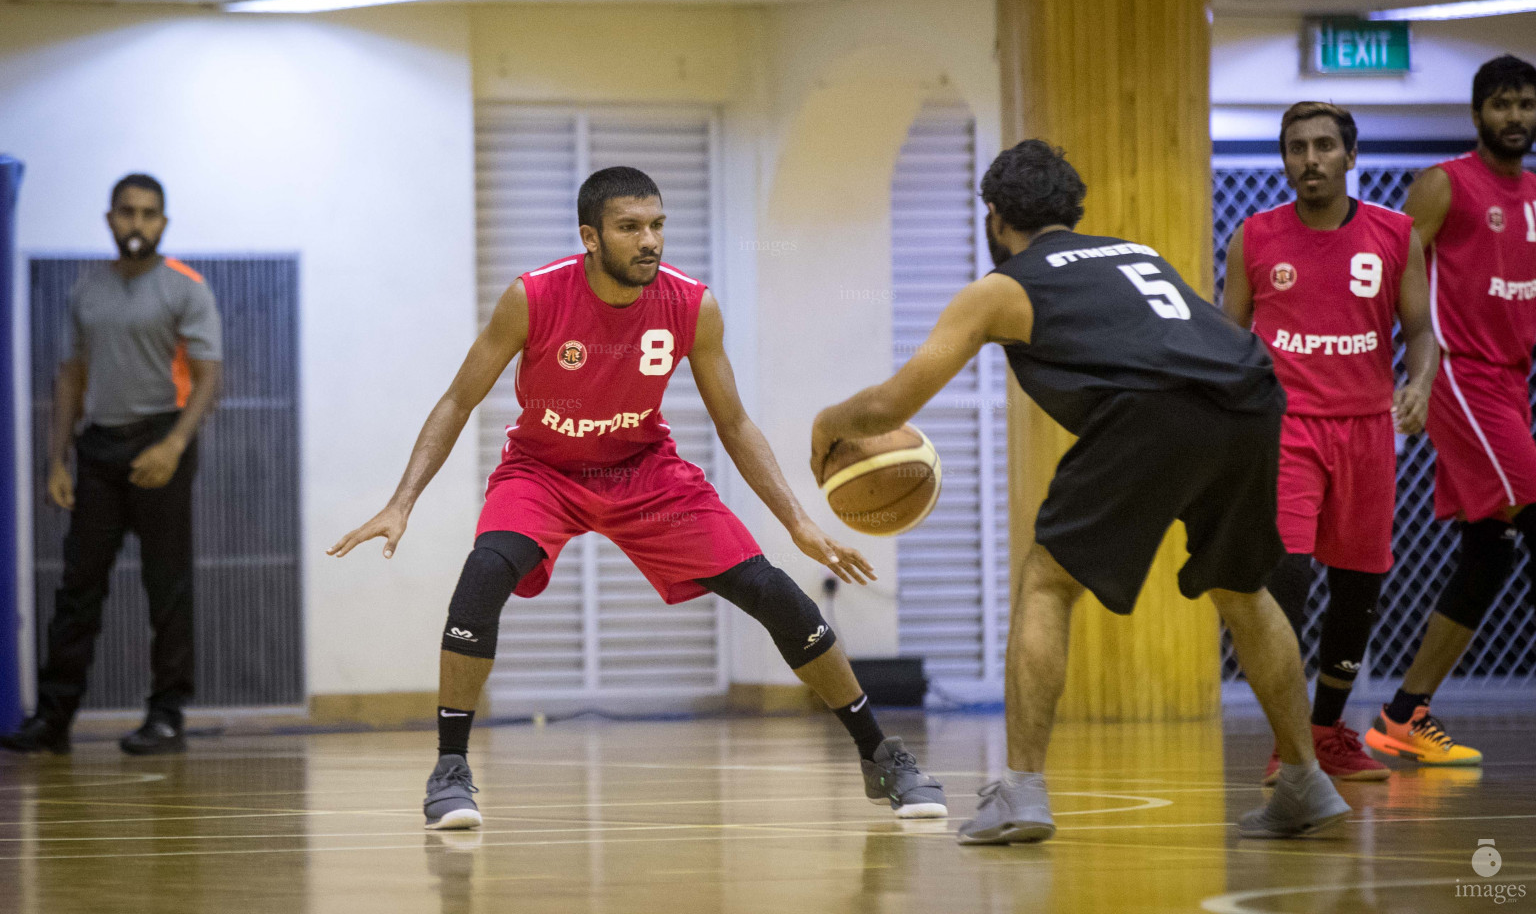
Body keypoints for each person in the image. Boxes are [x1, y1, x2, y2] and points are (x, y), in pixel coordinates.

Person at [330, 166, 947, 830]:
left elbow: (734, 423)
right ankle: (450, 769)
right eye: (630, 228)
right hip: (543, 471)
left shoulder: (692, 305)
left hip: (645, 471)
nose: (649, 240)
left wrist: (797, 521)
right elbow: (458, 399)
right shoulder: (533, 297)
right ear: (590, 237)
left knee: (773, 591)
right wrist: (403, 500)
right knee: (483, 573)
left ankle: (880, 756)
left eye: (656, 225)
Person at [813, 139, 1351, 844]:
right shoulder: (1137, 254)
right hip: (1250, 397)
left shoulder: (1002, 289)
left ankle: (1022, 793)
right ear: (1072, 207)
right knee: (1245, 590)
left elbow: (888, 408)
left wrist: (828, 424)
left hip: (1151, 410)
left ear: (996, 216)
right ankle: (1307, 782)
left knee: (1047, 583)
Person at [1223, 101, 1437, 783]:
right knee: (1285, 576)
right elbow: (1228, 342)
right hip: (1285, 430)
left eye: (1322, 146)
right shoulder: (1254, 237)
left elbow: (1421, 332)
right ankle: (1290, 743)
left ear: (1350, 155)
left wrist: (1420, 384)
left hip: (1368, 431)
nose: (1309, 159)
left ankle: (1328, 733)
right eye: (1295, 148)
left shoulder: (1395, 234)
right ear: (1283, 159)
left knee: (1358, 586)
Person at [1, 173, 223, 757]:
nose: (137, 224)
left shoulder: (185, 288)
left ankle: (166, 716)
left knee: (166, 586)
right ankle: (52, 722)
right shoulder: (87, 290)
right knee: (78, 587)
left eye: (149, 214)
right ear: (110, 219)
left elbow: (208, 378)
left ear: (164, 224)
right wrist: (57, 458)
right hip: (98, 448)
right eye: (127, 213)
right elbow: (71, 375)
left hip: (160, 441)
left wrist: (173, 446)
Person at [1362, 54, 1536, 767]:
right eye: (1501, 104)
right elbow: (1387, 259)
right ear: (1476, 115)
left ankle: (1402, 715)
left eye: (1525, 103)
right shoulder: (1445, 183)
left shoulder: (1532, 194)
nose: (1515, 117)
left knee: (1487, 552)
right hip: (1460, 379)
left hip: (1511, 384)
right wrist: (1399, 371)